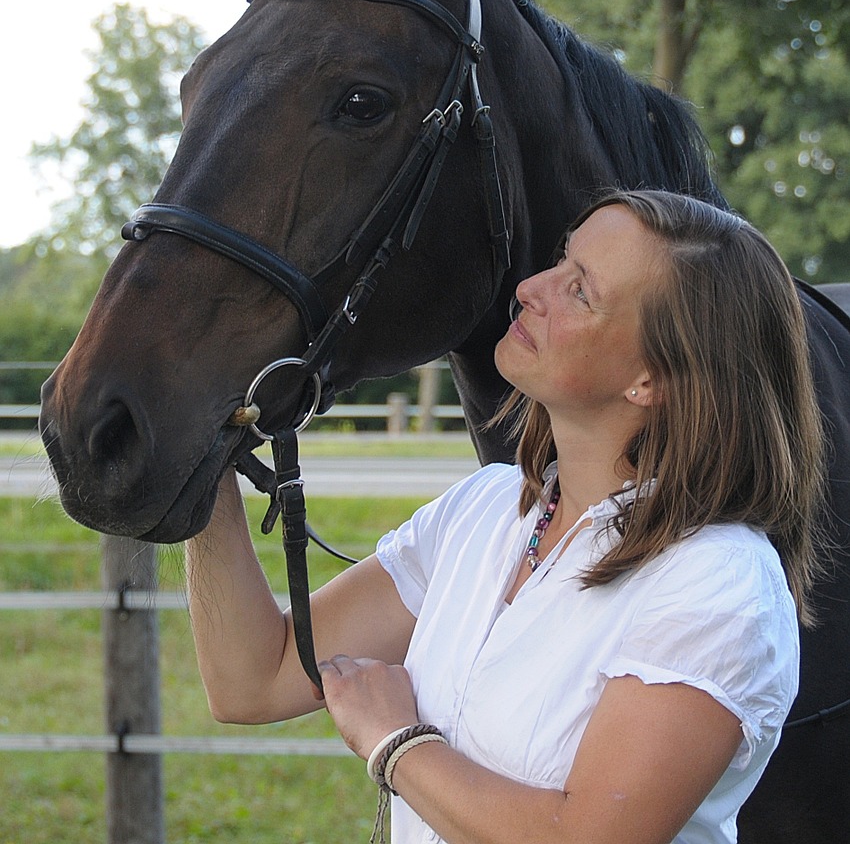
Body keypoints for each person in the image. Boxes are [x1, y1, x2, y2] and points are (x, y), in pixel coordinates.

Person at [186, 190, 826, 844]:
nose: (528, 289)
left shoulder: (717, 584)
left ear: (652, 377)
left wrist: (396, 742)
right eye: (559, 261)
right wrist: (196, 458)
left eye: (580, 291)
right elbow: (254, 679)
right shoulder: (486, 511)